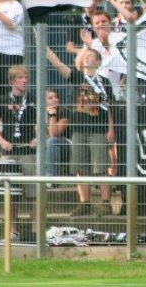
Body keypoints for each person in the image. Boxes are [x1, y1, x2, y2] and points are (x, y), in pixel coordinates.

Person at [45, 46, 115, 217]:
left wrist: (111, 129)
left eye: (90, 56)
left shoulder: (103, 82)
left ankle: (106, 203)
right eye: (85, 55)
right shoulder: (76, 77)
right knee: (80, 167)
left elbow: (110, 108)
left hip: (98, 129)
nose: (86, 58)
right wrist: (46, 50)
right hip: (79, 130)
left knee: (101, 167)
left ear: (98, 62)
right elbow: (58, 64)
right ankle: (85, 203)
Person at [0, 65, 38, 239]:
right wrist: (2, 141)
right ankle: (13, 230)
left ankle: (35, 231)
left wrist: (37, 137)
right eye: (20, 77)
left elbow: (43, 122)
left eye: (26, 77)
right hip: (10, 152)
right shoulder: (3, 100)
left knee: (34, 193)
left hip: (29, 151)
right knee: (10, 195)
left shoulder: (33, 98)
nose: (24, 80)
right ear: (12, 81)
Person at [45, 88, 71, 178]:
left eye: (56, 97)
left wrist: (52, 115)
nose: (54, 99)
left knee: (52, 141)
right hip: (49, 145)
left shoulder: (65, 112)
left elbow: (54, 134)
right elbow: (38, 132)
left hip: (67, 145)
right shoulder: (41, 113)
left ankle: (51, 179)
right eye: (50, 98)